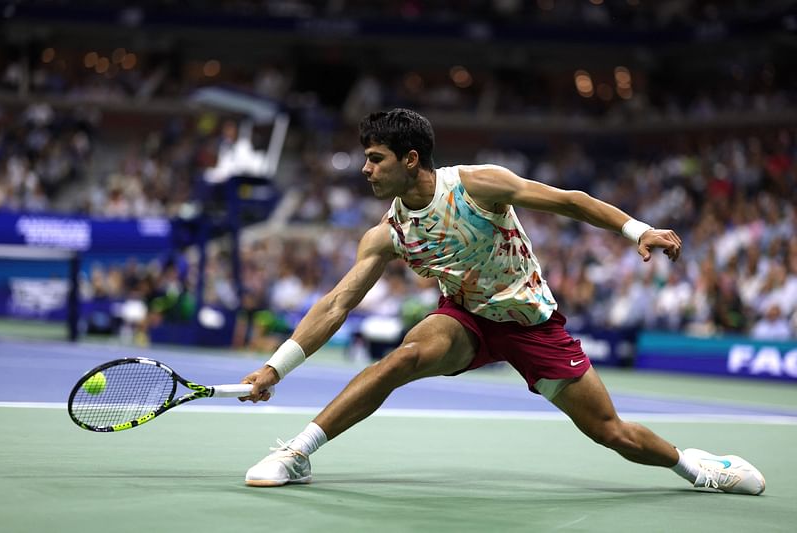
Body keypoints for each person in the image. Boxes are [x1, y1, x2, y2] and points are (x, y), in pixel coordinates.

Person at [239, 108, 765, 495]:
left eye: (376, 159)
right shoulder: (388, 234)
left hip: (533, 325)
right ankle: (298, 452)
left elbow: (569, 202)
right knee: (402, 357)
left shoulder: (476, 186)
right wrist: (274, 368)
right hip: (465, 322)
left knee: (612, 433)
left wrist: (638, 230)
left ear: (411, 158)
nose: (366, 169)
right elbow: (336, 305)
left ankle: (694, 467)